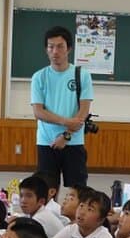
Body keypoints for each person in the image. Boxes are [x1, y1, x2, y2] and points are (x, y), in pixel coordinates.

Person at [31, 26, 93, 188]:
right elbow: (38, 112)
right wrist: (66, 122)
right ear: (46, 49)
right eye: (51, 47)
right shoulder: (39, 77)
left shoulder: (82, 75)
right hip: (46, 142)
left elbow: (84, 111)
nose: (55, 51)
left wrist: (66, 136)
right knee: (46, 190)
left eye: (60, 46)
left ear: (69, 49)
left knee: (77, 191)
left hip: (73, 142)